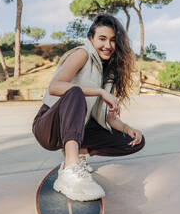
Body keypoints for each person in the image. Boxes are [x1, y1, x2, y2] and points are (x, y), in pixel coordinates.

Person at [32, 13, 145, 202]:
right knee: (75, 92)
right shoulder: (82, 54)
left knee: (134, 141)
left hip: (77, 128)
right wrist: (99, 92)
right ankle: (70, 169)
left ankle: (79, 154)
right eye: (102, 39)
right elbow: (55, 86)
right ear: (91, 38)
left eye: (113, 41)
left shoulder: (109, 73)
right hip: (48, 126)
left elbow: (107, 118)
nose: (107, 46)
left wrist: (128, 129)